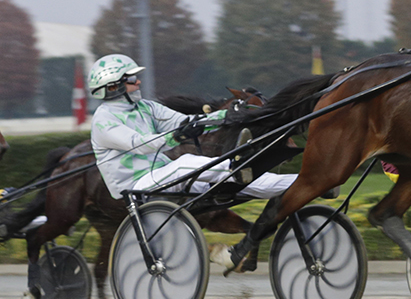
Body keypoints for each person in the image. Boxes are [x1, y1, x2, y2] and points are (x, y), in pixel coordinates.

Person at [85, 53, 295, 202]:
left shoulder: (145, 107)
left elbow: (183, 122)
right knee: (185, 163)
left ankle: (299, 182)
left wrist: (228, 116)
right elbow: (140, 144)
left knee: (235, 184)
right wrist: (176, 137)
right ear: (112, 87)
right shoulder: (104, 120)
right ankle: (234, 168)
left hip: (162, 176)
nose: (138, 82)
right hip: (136, 185)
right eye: (131, 79)